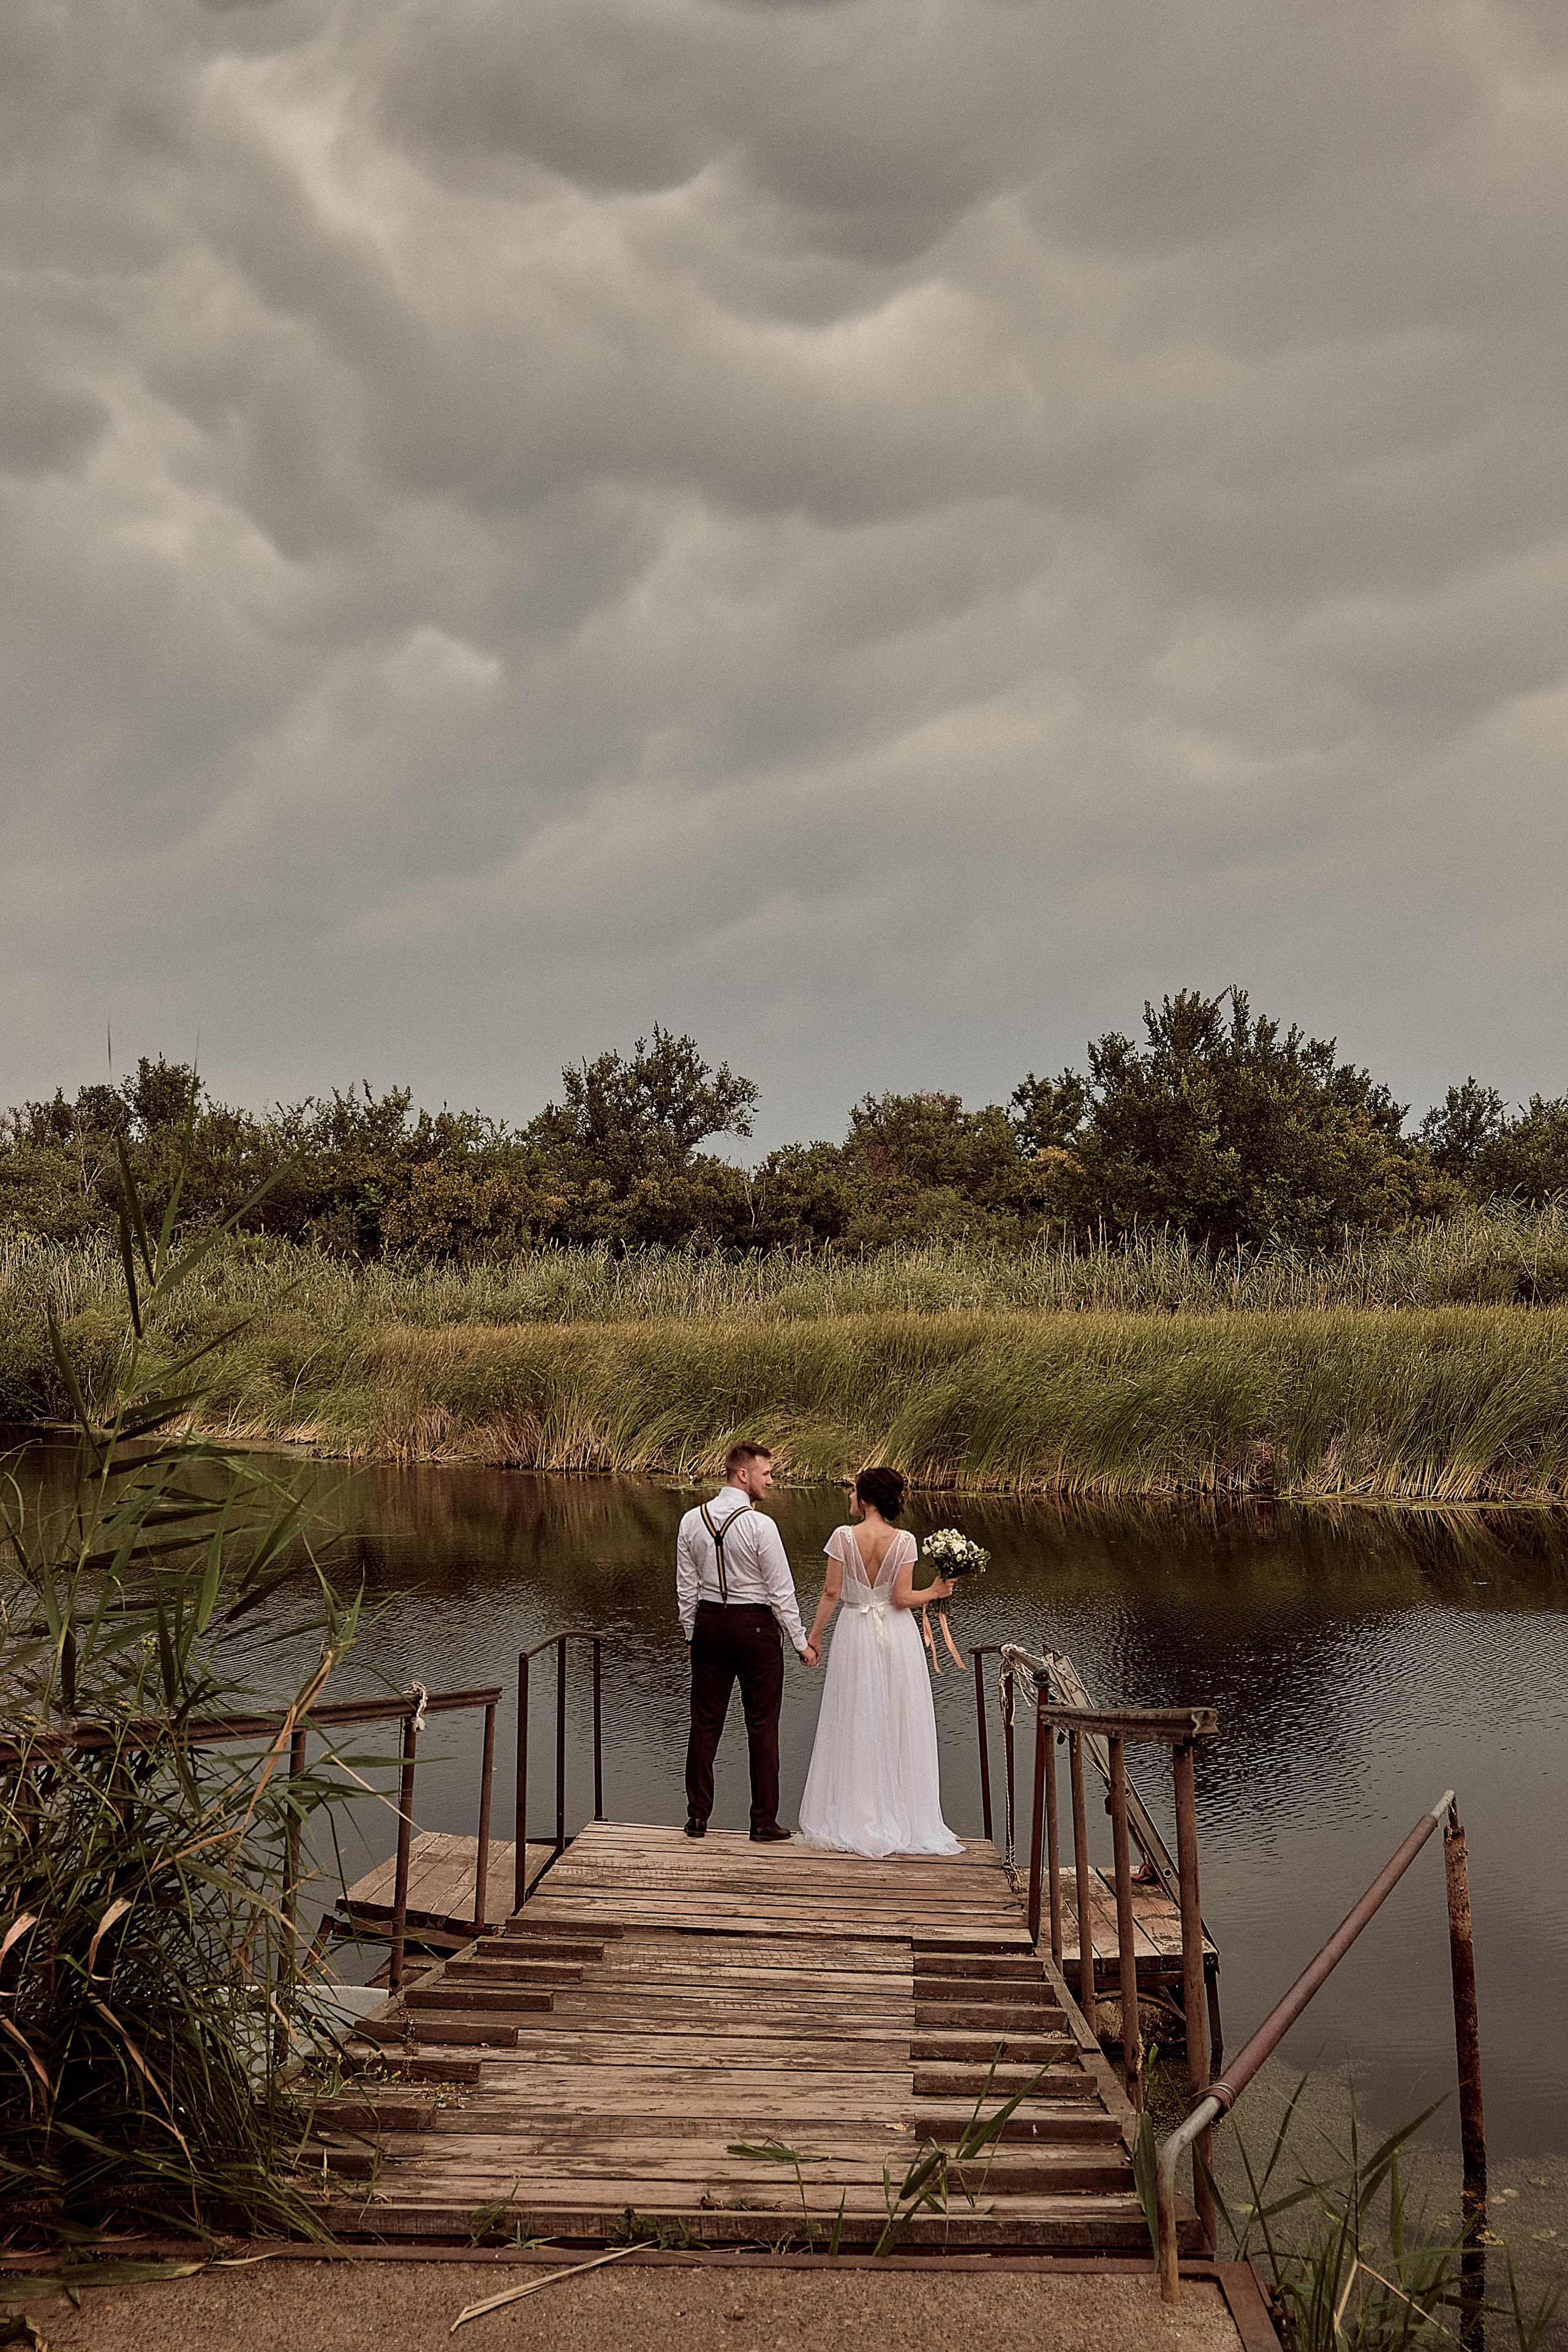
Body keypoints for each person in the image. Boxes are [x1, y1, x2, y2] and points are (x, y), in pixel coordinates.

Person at [797, 1466, 963, 1858]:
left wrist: (814, 1639)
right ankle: (902, 1811)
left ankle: (859, 1811)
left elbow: (831, 1593)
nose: (849, 1498)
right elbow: (903, 1599)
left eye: (853, 1491)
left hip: (855, 1631)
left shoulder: (842, 1537)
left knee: (855, 1718)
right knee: (897, 1716)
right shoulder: (904, 1541)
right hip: (898, 1636)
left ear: (865, 1497)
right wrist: (935, 1591)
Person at [677, 1441, 818, 1843]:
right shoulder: (760, 1526)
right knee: (762, 1726)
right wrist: (800, 1642)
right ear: (743, 1474)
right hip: (755, 1629)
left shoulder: (692, 1520)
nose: (771, 1481)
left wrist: (692, 1634)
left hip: (708, 1624)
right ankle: (762, 1822)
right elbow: (781, 1591)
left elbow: (686, 1588)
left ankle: (697, 1817)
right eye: (767, 1474)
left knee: (705, 1724)